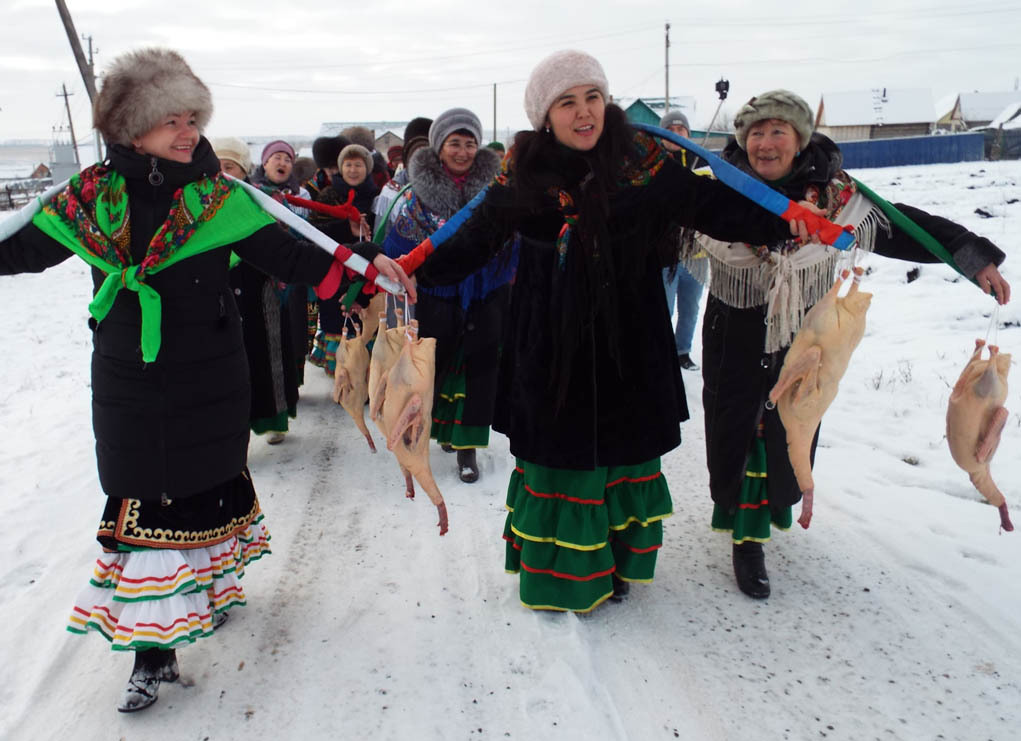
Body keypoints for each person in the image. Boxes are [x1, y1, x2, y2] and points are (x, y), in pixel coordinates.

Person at [0, 48, 414, 711]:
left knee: (208, 483)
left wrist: (364, 269)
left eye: (192, 118)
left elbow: (293, 248)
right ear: (132, 129)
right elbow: (16, 242)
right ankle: (151, 653)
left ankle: (209, 591)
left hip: (211, 369)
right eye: (171, 121)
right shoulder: (87, 199)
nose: (188, 133)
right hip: (127, 374)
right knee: (141, 497)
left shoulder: (220, 198)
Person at [410, 51, 823, 613]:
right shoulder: (523, 175)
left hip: (630, 334)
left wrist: (785, 220)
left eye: (593, 98)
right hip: (551, 342)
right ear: (545, 115)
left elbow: (710, 204)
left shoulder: (643, 162)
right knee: (565, 457)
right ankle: (567, 577)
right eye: (567, 102)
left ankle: (618, 563)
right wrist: (408, 273)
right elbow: (472, 242)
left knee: (625, 450)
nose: (584, 113)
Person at [695, 89, 1010, 599]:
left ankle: (767, 513)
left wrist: (972, 258)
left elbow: (905, 227)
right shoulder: (716, 192)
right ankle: (744, 538)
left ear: (799, 140)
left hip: (808, 339)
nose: (765, 142)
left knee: (789, 428)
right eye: (755, 132)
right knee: (738, 429)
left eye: (778, 131)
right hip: (732, 330)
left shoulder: (838, 200)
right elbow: (657, 222)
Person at [381, 107, 508, 483]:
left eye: (470, 143)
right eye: (455, 143)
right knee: (430, 374)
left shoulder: (497, 194)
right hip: (435, 297)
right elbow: (397, 245)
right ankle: (427, 437)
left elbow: (511, 241)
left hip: (484, 295)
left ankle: (467, 449)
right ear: (439, 148)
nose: (463, 151)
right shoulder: (414, 198)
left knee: (477, 374)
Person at [238, 139, 311, 444]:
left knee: (278, 346)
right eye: (275, 157)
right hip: (239, 281)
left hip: (277, 281)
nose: (281, 163)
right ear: (263, 163)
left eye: (287, 158)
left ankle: (275, 416)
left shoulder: (299, 197)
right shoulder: (245, 196)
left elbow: (306, 235)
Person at [308, 143, 380, 376]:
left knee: (365, 317)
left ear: (367, 168)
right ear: (340, 168)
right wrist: (346, 227)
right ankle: (341, 376)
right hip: (335, 269)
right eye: (348, 164)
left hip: (368, 271)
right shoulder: (329, 195)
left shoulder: (376, 198)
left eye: (358, 164)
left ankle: (364, 377)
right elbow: (316, 233)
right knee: (337, 315)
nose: (352, 169)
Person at [657, 110, 708, 370]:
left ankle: (682, 351)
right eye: (670, 130)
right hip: (665, 252)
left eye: (681, 130)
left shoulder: (702, 162)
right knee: (663, 307)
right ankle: (662, 351)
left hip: (697, 253)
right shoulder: (653, 163)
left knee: (690, 307)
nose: (676, 134)